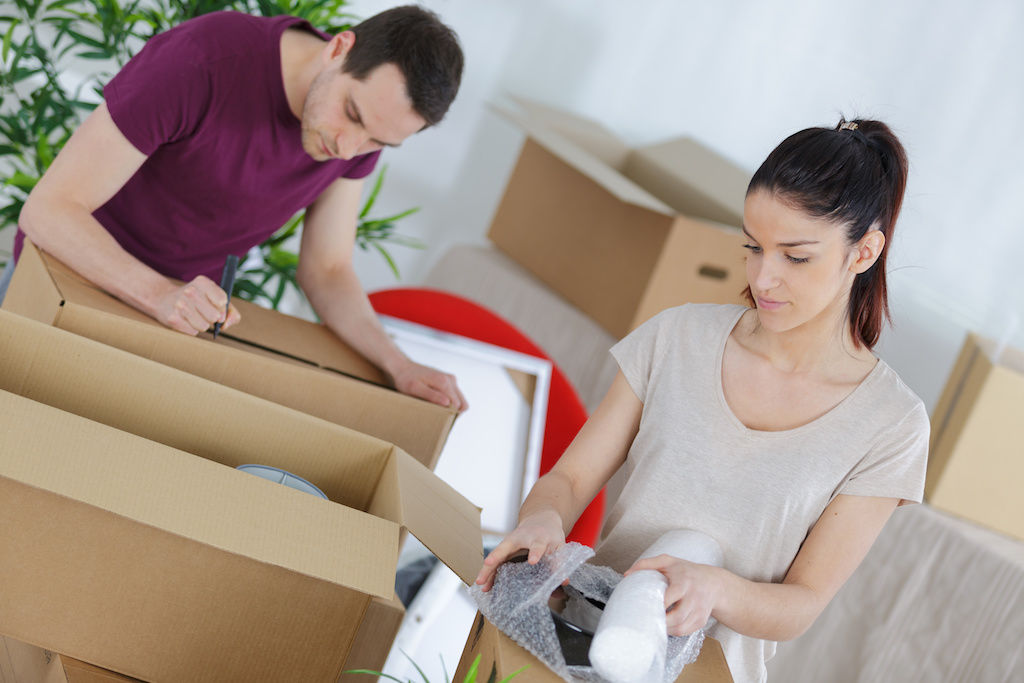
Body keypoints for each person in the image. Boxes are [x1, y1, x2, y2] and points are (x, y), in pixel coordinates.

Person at [476, 119, 929, 682]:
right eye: (753, 246)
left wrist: (716, 588)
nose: (764, 277)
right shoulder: (678, 339)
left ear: (863, 252)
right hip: (582, 647)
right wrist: (542, 520)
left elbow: (803, 602)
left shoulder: (891, 424)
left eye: (796, 256)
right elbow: (568, 482)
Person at [16, 5, 467, 411]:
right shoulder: (203, 60)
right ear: (339, 48)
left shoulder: (357, 135)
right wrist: (158, 295)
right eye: (352, 114)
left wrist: (400, 366)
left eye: (378, 142)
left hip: (172, 317)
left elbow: (327, 270)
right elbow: (49, 211)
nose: (348, 149)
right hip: (64, 277)